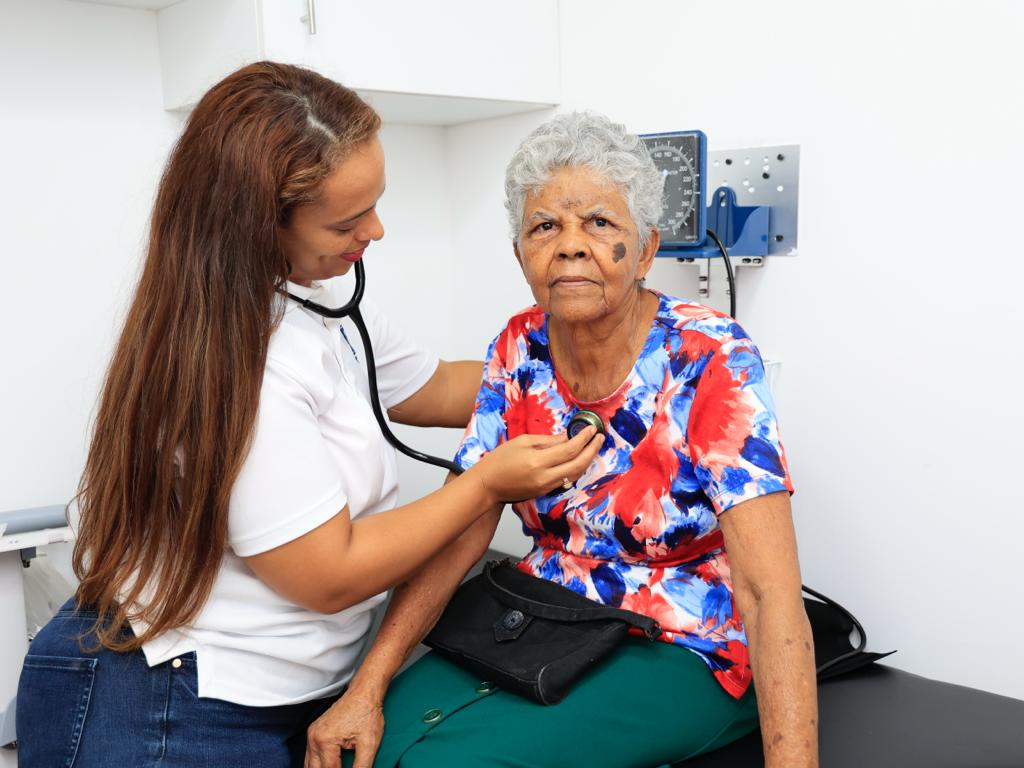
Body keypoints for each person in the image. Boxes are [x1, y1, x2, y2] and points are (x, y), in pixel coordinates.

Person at [14, 64, 603, 768]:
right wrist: (486, 484)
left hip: (278, 691)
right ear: (257, 225)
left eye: (375, 205)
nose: (375, 231)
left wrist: (600, 368)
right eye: (347, 222)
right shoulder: (241, 360)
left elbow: (438, 388)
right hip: (166, 704)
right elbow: (328, 574)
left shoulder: (318, 300)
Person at [308, 112, 819, 768]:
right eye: (545, 226)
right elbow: (461, 529)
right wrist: (366, 687)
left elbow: (769, 591)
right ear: (521, 253)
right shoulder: (519, 347)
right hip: (541, 614)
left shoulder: (711, 356)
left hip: (684, 639)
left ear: (646, 250)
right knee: (363, 749)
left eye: (600, 223)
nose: (571, 246)